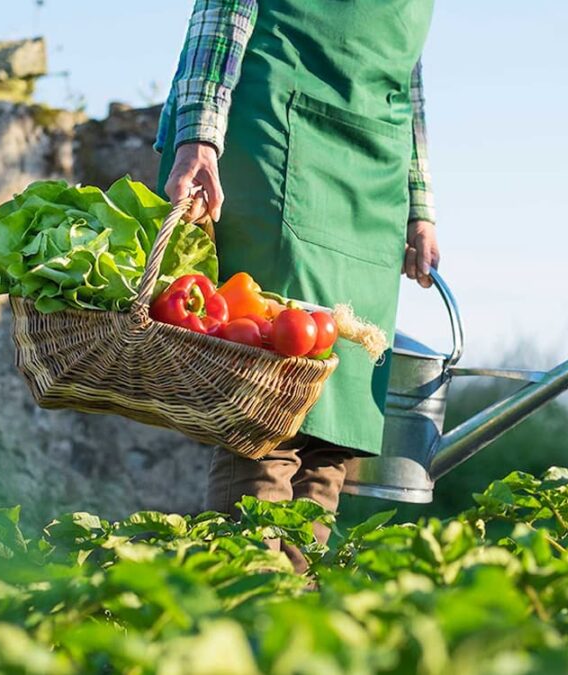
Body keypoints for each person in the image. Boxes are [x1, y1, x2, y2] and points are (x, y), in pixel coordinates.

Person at [155, 0, 439, 572]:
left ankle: (296, 620)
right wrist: (200, 138)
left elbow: (405, 64)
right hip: (280, 131)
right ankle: (247, 607)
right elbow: (222, 12)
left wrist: (419, 203)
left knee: (336, 434)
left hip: (374, 171)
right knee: (266, 410)